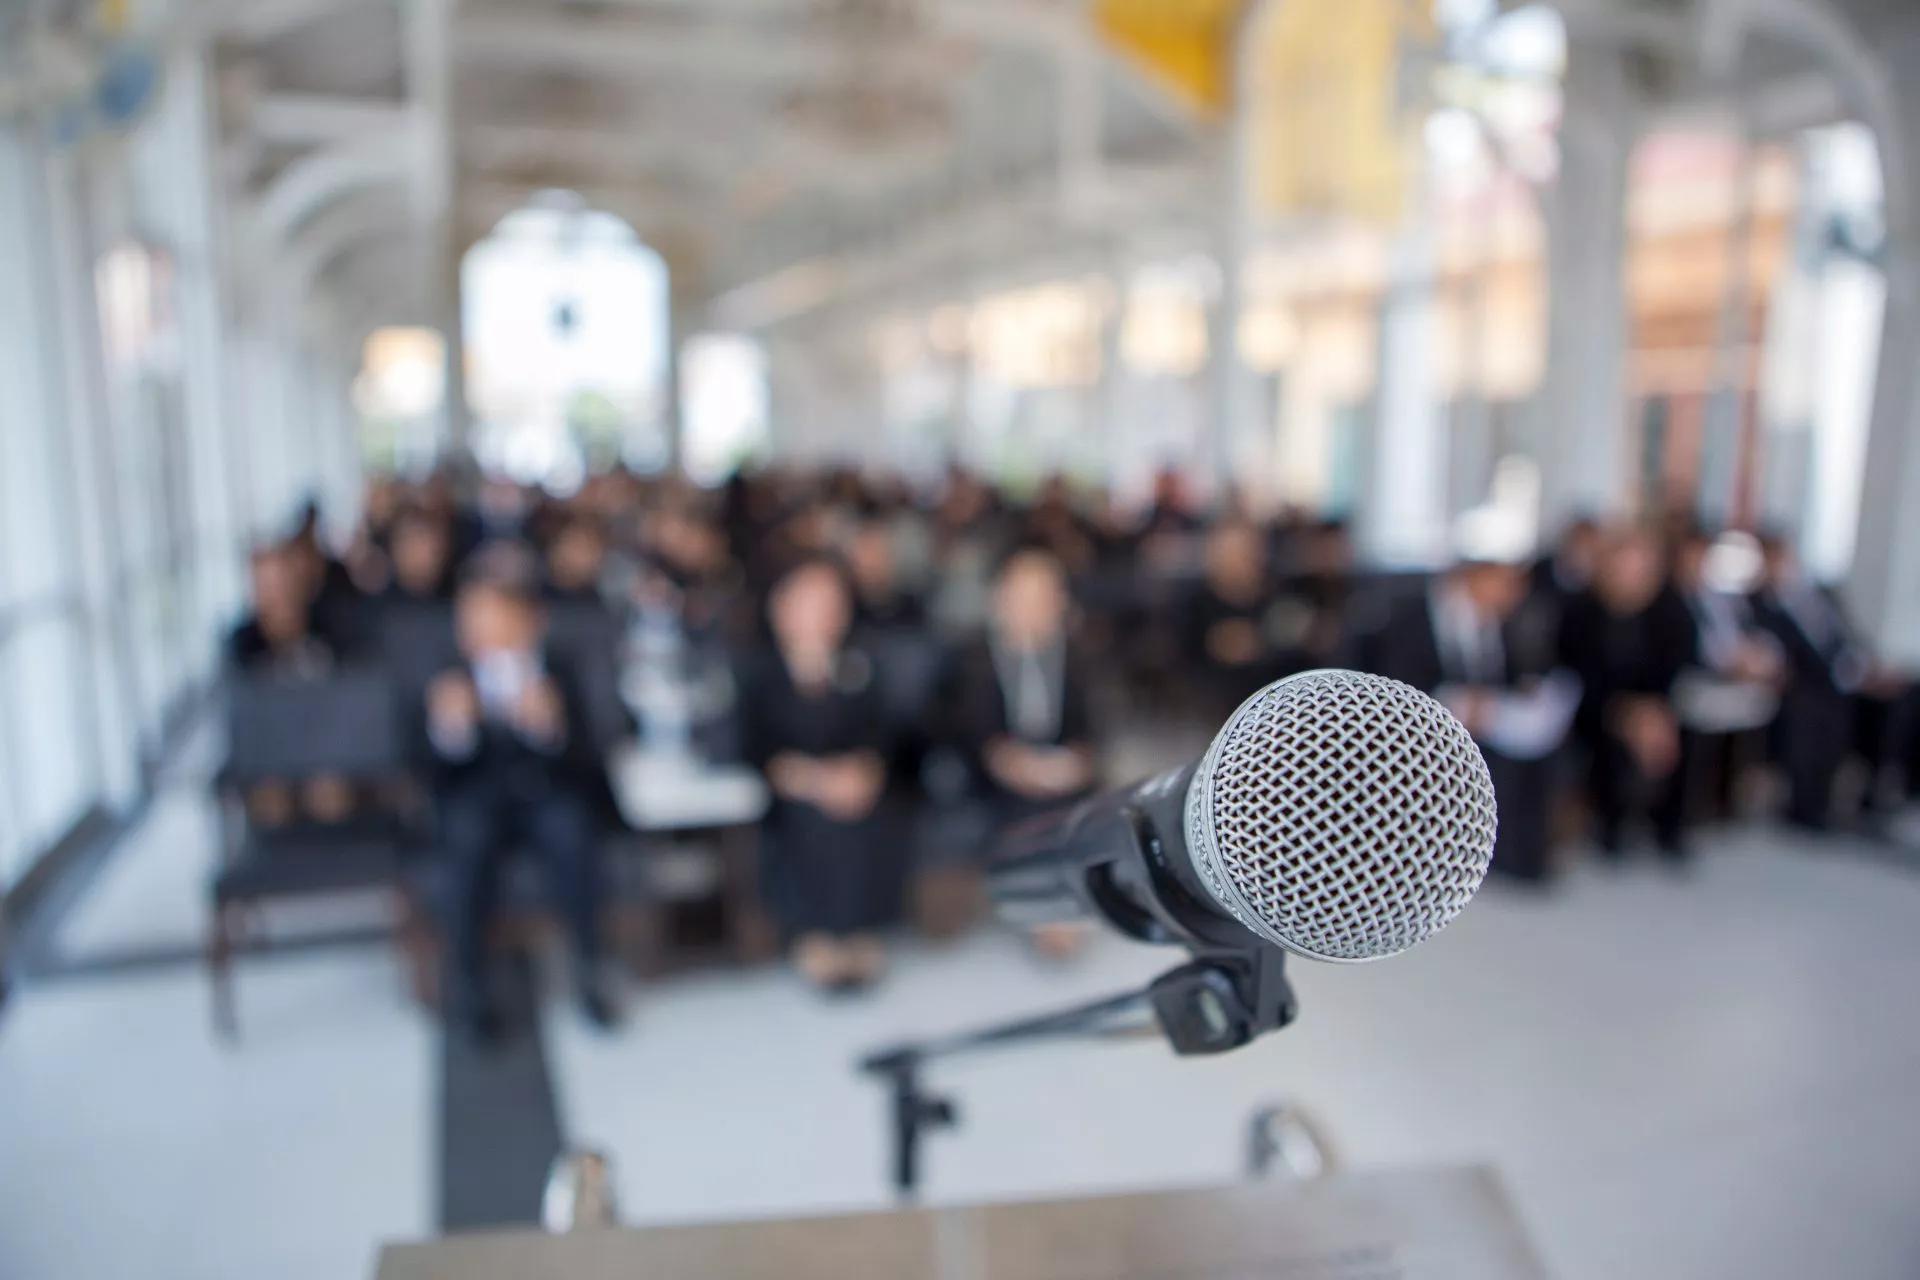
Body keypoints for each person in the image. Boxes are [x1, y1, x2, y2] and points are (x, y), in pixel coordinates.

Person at [426, 562, 615, 1040]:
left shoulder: (562, 669)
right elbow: (430, 771)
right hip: (479, 798)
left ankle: (589, 969)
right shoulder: (447, 674)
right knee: (466, 844)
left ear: (525, 619)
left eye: (491, 616)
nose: (478, 629)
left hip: (546, 793)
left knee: (573, 832)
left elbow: (590, 755)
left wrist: (548, 725)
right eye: (470, 617)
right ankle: (470, 987)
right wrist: (453, 729)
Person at [736, 555, 896, 992]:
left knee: (865, 811)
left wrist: (865, 769)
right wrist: (807, 778)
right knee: (814, 821)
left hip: (851, 781)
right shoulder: (757, 670)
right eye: (811, 601)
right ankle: (817, 935)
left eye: (832, 602)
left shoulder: (860, 663)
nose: (823, 613)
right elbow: (749, 744)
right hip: (788, 788)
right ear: (781, 607)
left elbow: (880, 733)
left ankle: (859, 930)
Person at [1358, 551, 1569, 883]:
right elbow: (1394, 679)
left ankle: (1521, 854)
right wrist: (1454, 704)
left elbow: (1504, 675)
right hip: (1420, 723)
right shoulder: (1412, 616)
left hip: (1482, 722)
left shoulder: (1497, 624)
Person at [945, 546, 1099, 950]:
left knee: (1076, 805)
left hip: (1062, 769)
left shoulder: (1079, 656)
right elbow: (961, 730)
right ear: (1000, 600)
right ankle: (1046, 913)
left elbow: (1094, 730)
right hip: (993, 773)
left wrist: (1080, 759)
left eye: (1045, 597)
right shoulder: (971, 656)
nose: (1034, 609)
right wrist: (1001, 759)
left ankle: (1065, 907)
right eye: (1023, 597)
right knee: (1029, 810)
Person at [1749, 534, 1909, 829]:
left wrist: (1865, 667)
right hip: (1810, 680)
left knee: (1903, 694)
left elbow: (1847, 634)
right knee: (1814, 706)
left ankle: (1879, 789)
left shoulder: (1822, 592)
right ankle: (1808, 805)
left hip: (1848, 669)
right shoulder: (1763, 603)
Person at [1558, 527, 1696, 860]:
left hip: (1653, 706)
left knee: (1683, 734)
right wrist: (1627, 714)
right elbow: (1578, 670)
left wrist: (1653, 712)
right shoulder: (1582, 610)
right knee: (1610, 741)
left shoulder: (1670, 608)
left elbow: (1677, 664)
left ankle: (1670, 828)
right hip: (1599, 706)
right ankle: (1611, 825)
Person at [228, 542, 358, 827]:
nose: (276, 593)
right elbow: (243, 717)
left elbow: (353, 699)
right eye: (265, 584)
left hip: (330, 746)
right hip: (272, 752)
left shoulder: (333, 629)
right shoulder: (241, 645)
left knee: (330, 797)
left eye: (282, 581)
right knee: (271, 803)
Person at [1184, 519, 1281, 715]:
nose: (1238, 561)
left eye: (1245, 553)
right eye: (1229, 554)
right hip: (1213, 706)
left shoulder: (1276, 598)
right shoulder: (1195, 605)